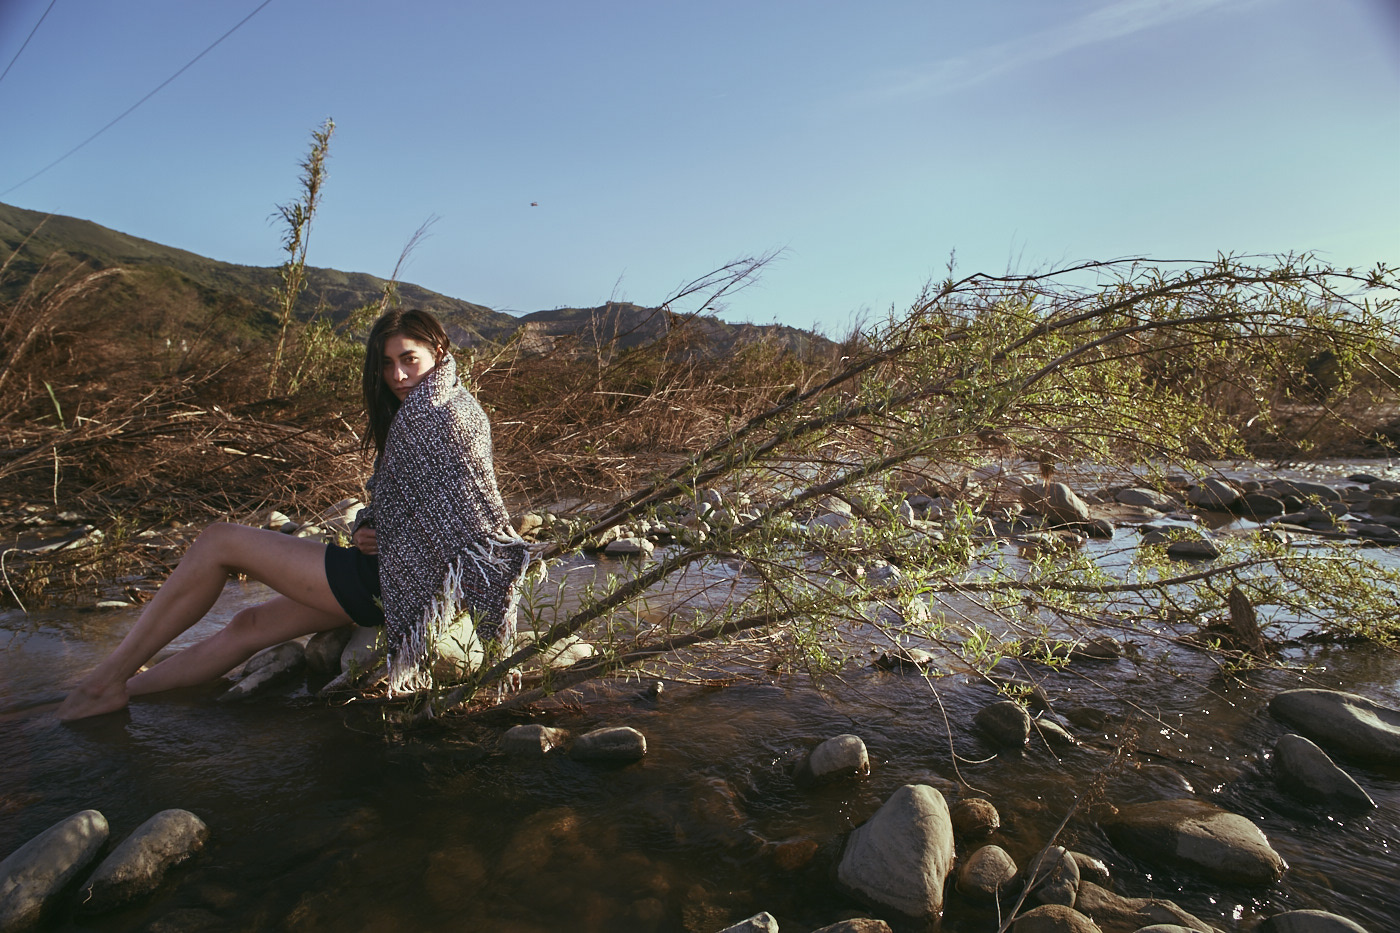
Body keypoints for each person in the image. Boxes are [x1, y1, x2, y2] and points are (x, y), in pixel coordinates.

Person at [57, 309, 529, 721]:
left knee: (219, 541)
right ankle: (121, 692)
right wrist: (371, 527)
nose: (399, 375)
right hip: (386, 574)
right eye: (387, 364)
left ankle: (105, 679)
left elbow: (471, 521)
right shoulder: (428, 407)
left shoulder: (445, 415)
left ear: (439, 351)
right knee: (249, 628)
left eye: (410, 359)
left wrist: (399, 544)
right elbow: (404, 503)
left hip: (387, 582)